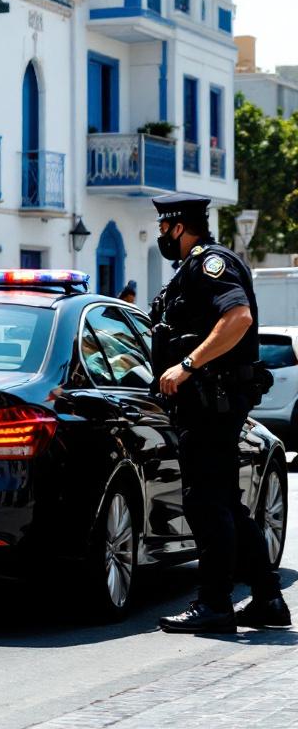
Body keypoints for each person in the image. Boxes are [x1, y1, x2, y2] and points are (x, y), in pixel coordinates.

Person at [149, 192, 290, 633]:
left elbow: (239, 318)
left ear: (177, 226)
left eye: (162, 229)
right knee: (228, 503)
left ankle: (214, 605)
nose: (160, 237)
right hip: (210, 401)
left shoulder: (211, 264)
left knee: (205, 503)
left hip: (211, 402)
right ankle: (267, 599)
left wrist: (188, 366)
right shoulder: (191, 269)